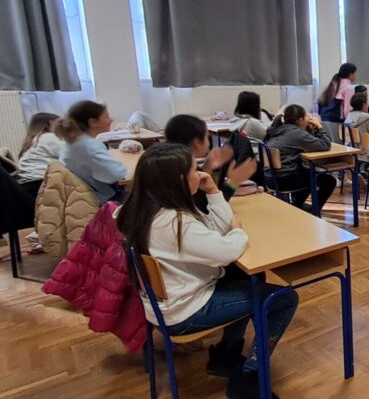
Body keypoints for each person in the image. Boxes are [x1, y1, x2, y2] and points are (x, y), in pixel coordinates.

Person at [115, 143, 297, 398]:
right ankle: (250, 376)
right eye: (194, 169)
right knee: (284, 298)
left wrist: (212, 191)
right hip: (184, 312)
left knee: (249, 276)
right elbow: (227, 249)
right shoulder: (175, 222)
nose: (200, 173)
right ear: (178, 180)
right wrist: (238, 231)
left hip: (165, 303)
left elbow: (215, 230)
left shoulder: (137, 210)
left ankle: (226, 354)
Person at [164, 115, 257, 204]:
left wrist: (207, 166)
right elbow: (208, 207)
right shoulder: (185, 172)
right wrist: (232, 182)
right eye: (207, 137)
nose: (208, 143)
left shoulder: (172, 163)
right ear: (197, 142)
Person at [265, 104, 337, 209]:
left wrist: (311, 129)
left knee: (306, 172)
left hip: (269, 177)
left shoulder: (277, 129)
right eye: (307, 116)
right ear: (300, 119)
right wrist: (319, 126)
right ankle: (313, 211)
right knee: (329, 181)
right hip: (284, 180)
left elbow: (309, 141)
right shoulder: (296, 134)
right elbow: (325, 145)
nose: (309, 119)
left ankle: (297, 206)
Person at [56, 100, 127, 204]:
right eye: (107, 117)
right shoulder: (90, 146)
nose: (111, 120)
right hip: (102, 199)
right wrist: (122, 165)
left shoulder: (72, 141)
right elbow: (116, 175)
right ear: (93, 122)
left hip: (81, 196)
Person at [17, 112, 63, 196]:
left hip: (27, 187)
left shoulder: (31, 142)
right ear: (50, 123)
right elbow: (74, 154)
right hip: (41, 185)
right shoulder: (48, 137)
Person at [318, 63, 358, 140]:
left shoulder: (333, 84)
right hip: (337, 120)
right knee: (339, 144)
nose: (355, 76)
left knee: (330, 143)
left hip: (324, 118)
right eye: (354, 73)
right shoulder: (349, 88)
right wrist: (350, 124)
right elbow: (347, 109)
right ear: (350, 74)